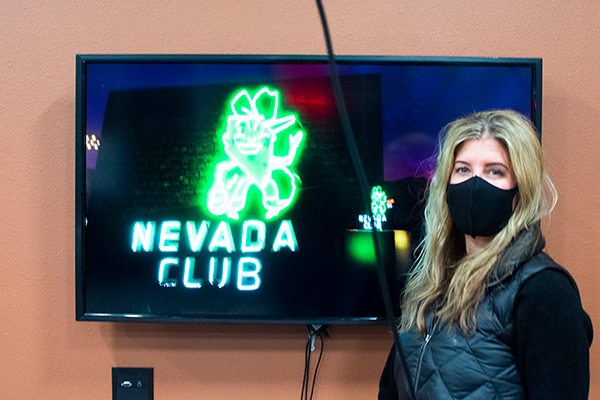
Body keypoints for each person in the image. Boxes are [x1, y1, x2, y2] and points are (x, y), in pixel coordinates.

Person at [378, 110, 593, 400]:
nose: (475, 185)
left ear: (520, 191)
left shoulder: (545, 291)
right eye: (463, 170)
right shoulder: (429, 287)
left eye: (495, 171)